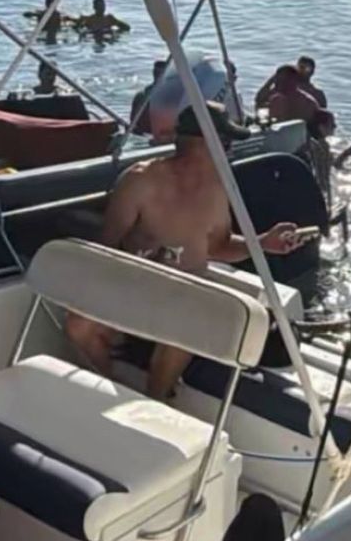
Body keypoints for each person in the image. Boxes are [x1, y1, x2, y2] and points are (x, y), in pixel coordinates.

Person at [65, 103, 303, 398]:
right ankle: (111, 388)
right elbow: (106, 245)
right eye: (226, 143)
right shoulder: (140, 180)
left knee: (186, 325)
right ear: (207, 144)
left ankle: (158, 400)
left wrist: (263, 242)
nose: (228, 151)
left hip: (188, 296)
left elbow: (218, 246)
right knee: (78, 325)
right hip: (136, 285)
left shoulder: (217, 188)